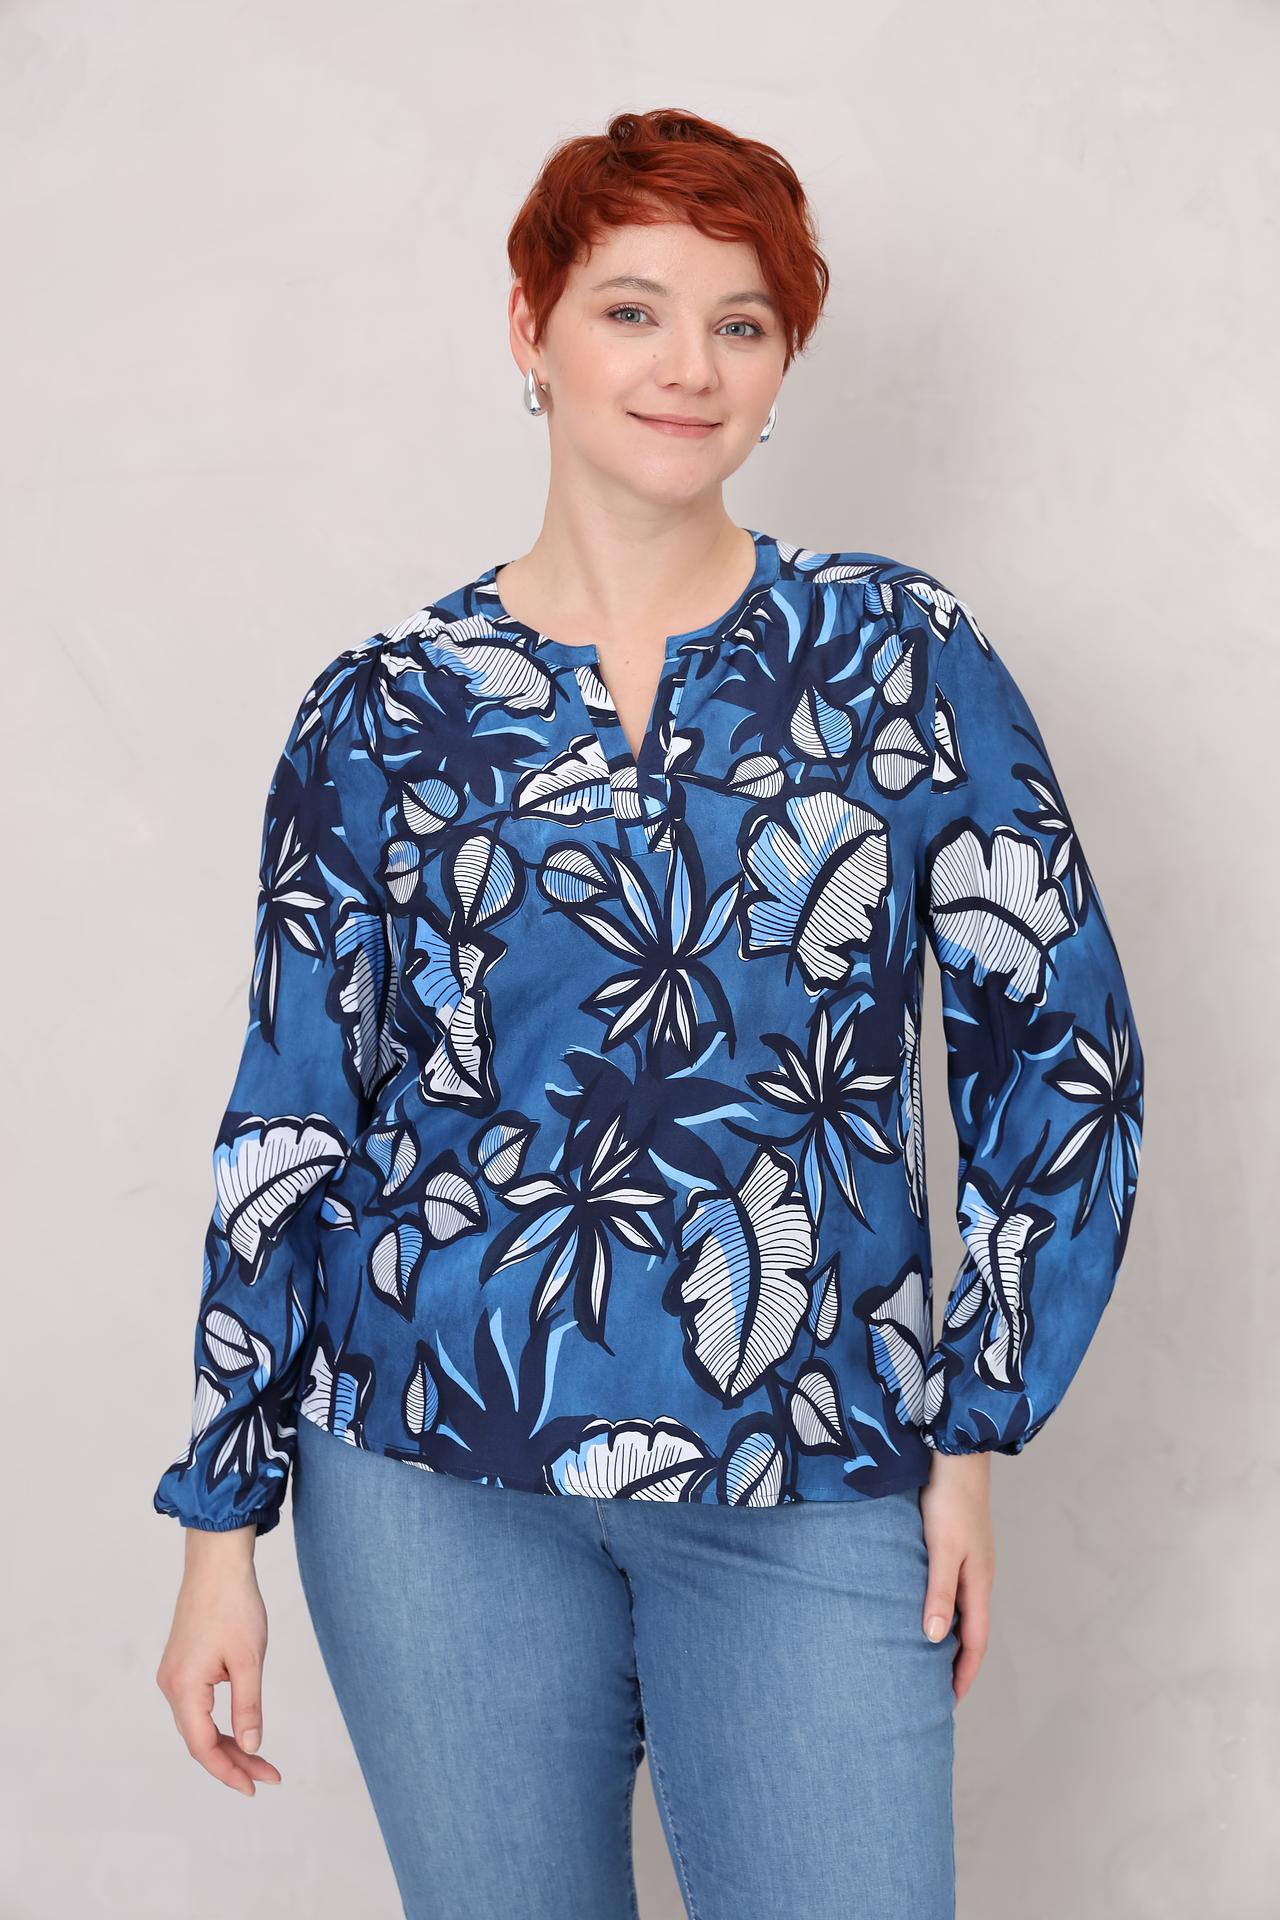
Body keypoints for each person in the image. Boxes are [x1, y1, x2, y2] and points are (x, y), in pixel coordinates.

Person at [153, 108, 1145, 1919]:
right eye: (632, 309)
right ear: (528, 329)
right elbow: (294, 1106)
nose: (689, 366)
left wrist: (971, 1424)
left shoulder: (901, 657)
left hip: (813, 1459)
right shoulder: (383, 712)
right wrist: (223, 1521)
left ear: (781, 364)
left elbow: (1057, 1049)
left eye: (741, 322)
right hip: (426, 1478)